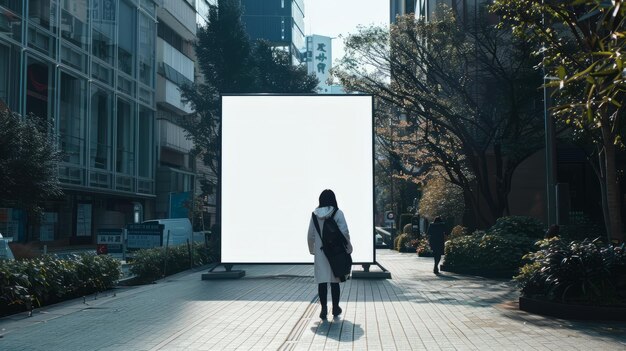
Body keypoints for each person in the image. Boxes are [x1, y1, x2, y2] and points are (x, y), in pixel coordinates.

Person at [307, 189, 353, 320]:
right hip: (335, 252)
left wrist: (312, 250)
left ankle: (323, 309)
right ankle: (336, 308)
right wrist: (348, 248)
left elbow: (310, 235)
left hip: (321, 253)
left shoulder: (314, 215)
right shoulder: (338, 213)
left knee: (322, 282)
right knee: (335, 281)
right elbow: (345, 232)